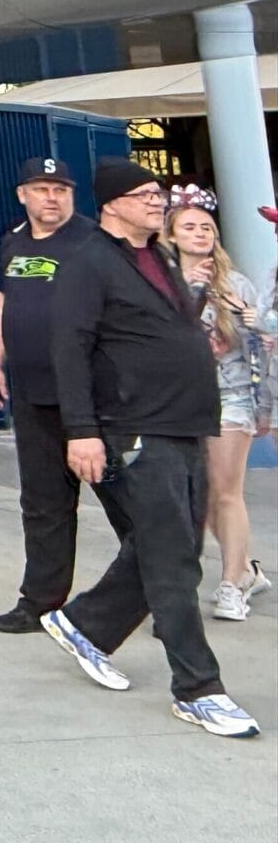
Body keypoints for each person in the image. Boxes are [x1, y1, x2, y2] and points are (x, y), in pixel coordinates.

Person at [43, 158, 257, 738]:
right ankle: (198, 688)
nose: (157, 202)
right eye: (144, 195)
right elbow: (70, 348)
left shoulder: (156, 255)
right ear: (112, 203)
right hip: (136, 427)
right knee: (172, 560)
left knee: (177, 541)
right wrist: (81, 430)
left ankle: (85, 624)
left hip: (186, 421)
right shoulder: (87, 262)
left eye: (158, 193)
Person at [0, 155, 101, 633]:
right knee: (43, 502)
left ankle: (152, 598)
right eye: (42, 189)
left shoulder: (93, 241)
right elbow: (5, 301)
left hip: (91, 396)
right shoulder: (13, 241)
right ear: (23, 195)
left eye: (61, 190)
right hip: (33, 393)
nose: (52, 198)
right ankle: (41, 603)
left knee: (131, 505)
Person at [165, 187, 269, 622]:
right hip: (179, 399)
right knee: (198, 496)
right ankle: (244, 569)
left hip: (231, 396)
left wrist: (251, 319)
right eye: (189, 226)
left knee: (226, 491)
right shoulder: (162, 280)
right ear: (170, 234)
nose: (200, 233)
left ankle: (232, 584)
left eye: (206, 227)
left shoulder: (236, 282)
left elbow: (260, 344)